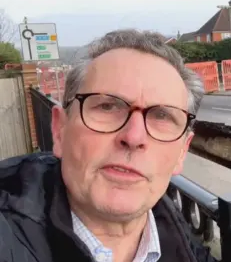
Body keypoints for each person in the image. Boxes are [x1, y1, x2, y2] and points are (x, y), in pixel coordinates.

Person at [0, 29, 218, 262]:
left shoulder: (187, 248)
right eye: (107, 107)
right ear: (59, 129)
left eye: (162, 116)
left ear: (182, 152)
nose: (133, 137)